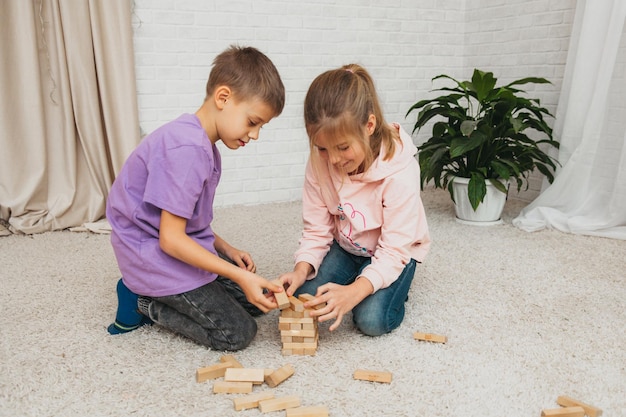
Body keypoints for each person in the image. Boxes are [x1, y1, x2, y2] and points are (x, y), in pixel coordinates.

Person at [106, 45, 286, 351]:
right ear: (223, 98)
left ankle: (177, 289)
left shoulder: (203, 145)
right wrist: (236, 274)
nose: (255, 135)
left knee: (257, 303)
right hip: (153, 257)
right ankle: (141, 302)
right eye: (253, 122)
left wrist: (227, 250)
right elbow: (171, 239)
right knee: (238, 331)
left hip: (167, 242)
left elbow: (183, 218)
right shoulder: (187, 151)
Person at [278, 64, 431, 337]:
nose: (334, 160)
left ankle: (394, 286)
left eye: (343, 147)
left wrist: (356, 291)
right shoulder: (319, 164)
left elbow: (395, 248)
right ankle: (363, 276)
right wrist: (302, 270)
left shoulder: (400, 172)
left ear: (369, 125)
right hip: (348, 246)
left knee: (371, 320)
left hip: (394, 252)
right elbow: (316, 229)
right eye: (322, 148)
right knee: (304, 299)